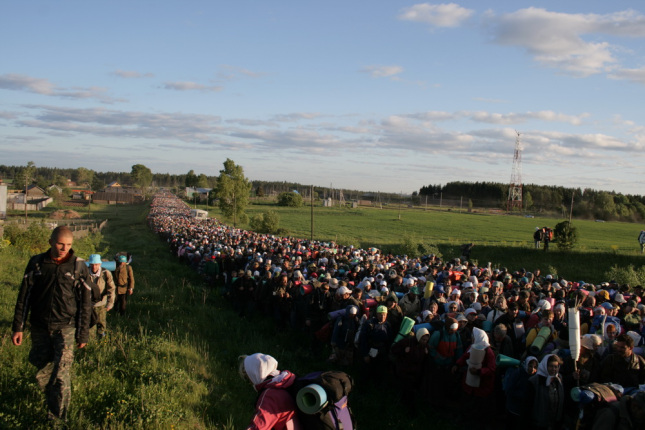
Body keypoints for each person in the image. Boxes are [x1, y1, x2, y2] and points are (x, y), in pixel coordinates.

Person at [11, 226, 94, 422]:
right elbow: (24, 296)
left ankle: (58, 419)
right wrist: (18, 327)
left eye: (68, 245)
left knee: (61, 373)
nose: (64, 249)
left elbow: (85, 303)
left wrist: (82, 333)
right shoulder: (37, 264)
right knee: (42, 370)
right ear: (50, 242)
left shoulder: (78, 266)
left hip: (65, 327)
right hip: (40, 326)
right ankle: (51, 402)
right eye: (60, 244)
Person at [238, 353, 302, 430]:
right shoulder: (287, 383)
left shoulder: (270, 395)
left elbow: (259, 427)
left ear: (255, 374)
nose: (251, 383)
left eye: (248, 379)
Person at [524, 354, 565, 430]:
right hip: (538, 424)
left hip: (553, 423)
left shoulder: (558, 380)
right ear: (545, 366)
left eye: (556, 367)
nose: (553, 369)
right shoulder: (535, 381)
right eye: (551, 366)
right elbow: (527, 406)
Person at [88, 254, 116, 339]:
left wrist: (110, 303)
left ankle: (102, 338)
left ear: (99, 264)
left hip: (101, 303)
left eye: (96, 265)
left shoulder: (106, 273)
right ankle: (91, 341)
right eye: (92, 265)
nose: (94, 267)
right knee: (90, 323)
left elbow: (111, 289)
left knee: (101, 322)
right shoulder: (85, 273)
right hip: (89, 304)